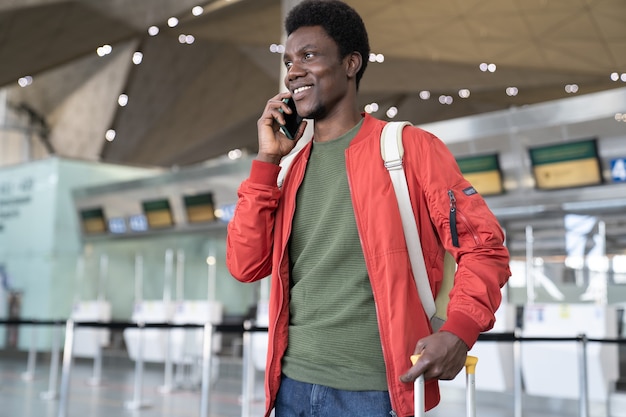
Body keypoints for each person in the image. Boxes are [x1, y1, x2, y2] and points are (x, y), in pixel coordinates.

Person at [226, 1, 511, 416]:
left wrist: (459, 331)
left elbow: (484, 248)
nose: (293, 71)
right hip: (290, 388)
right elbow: (245, 265)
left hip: (375, 393)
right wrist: (267, 162)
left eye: (308, 56)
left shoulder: (409, 149)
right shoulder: (287, 167)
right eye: (288, 61)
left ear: (351, 63)